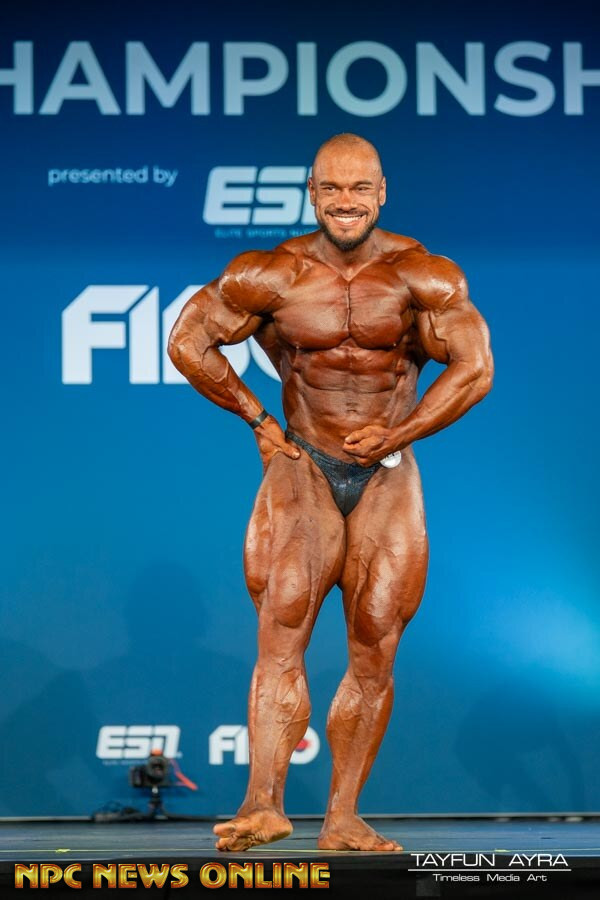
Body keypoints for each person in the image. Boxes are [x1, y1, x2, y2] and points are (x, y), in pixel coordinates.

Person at [168, 133, 493, 852]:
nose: (347, 202)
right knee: (281, 628)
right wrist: (257, 418)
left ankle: (342, 817)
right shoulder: (272, 275)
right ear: (313, 194)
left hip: (388, 471)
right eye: (332, 189)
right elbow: (188, 340)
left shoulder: (423, 275)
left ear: (382, 194)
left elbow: (475, 368)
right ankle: (263, 804)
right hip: (304, 462)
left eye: (360, 189)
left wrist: (401, 430)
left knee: (376, 644)